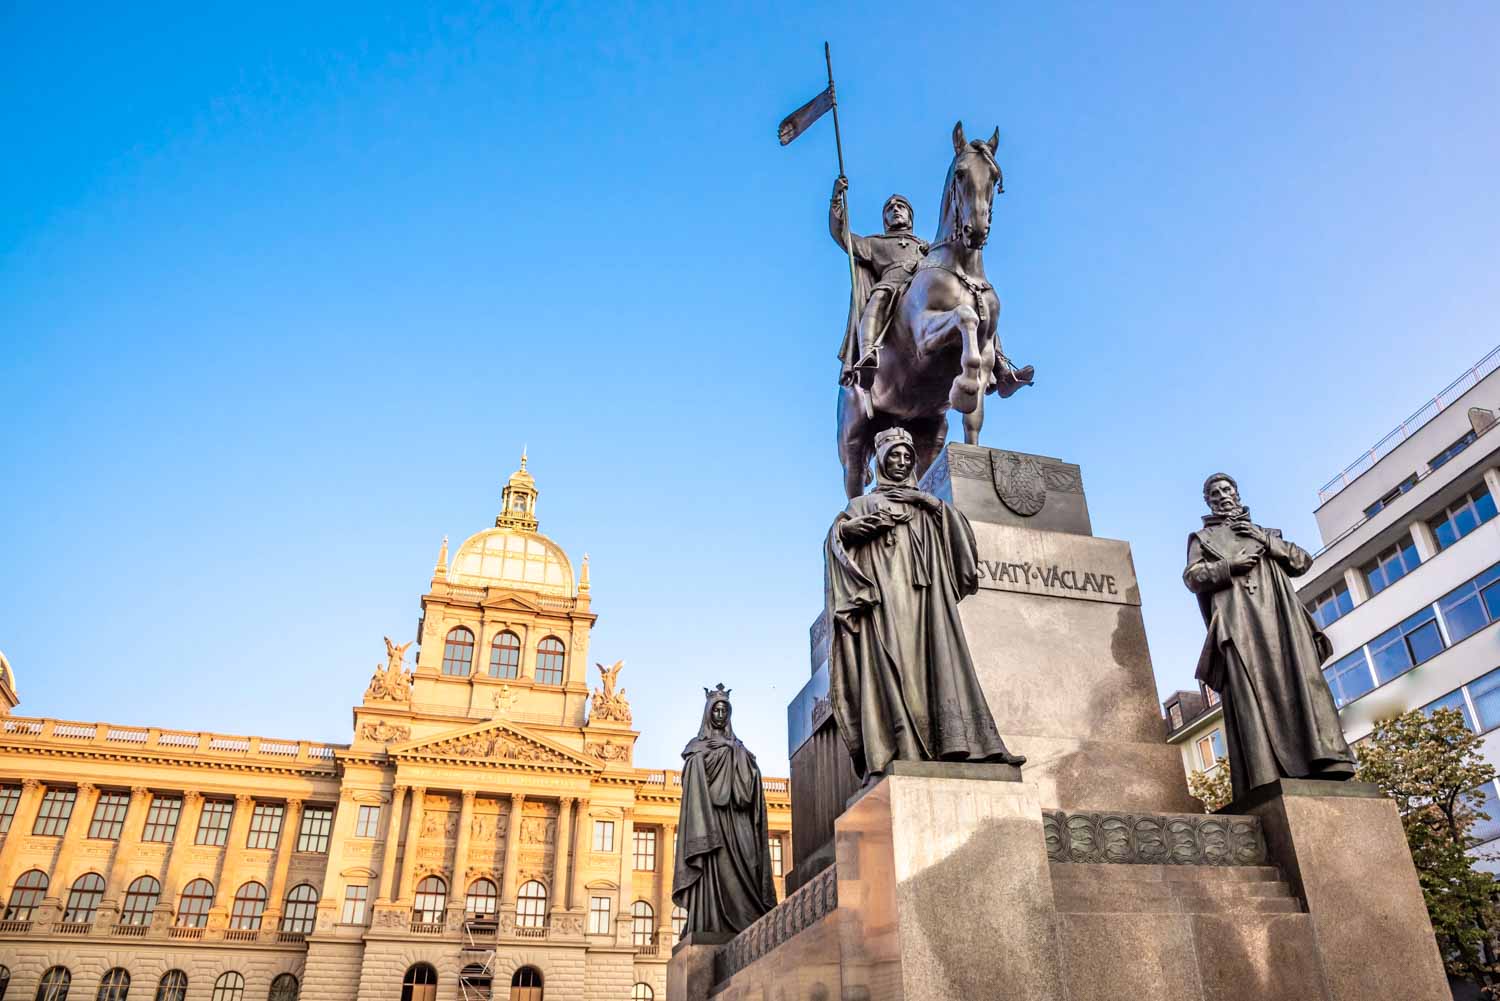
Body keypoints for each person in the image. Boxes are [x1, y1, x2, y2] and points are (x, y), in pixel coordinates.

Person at [823, 426, 1025, 779]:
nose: (901, 462)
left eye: (906, 456)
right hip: (886, 605)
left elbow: (962, 544)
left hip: (928, 606)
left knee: (942, 664)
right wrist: (855, 530)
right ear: (882, 461)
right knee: (895, 670)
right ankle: (902, 748)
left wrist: (928, 502)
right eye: (894, 456)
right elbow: (836, 541)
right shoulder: (861, 505)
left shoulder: (928, 507)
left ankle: (958, 744)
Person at [1184, 473, 1355, 802]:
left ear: (1236, 492)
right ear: (1208, 501)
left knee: (1301, 684)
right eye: (1215, 493)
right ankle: (1266, 772)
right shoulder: (1202, 539)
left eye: (1227, 489)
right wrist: (1229, 566)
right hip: (1240, 624)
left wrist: (1265, 540)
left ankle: (1322, 758)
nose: (1222, 496)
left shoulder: (1266, 534)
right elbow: (1192, 577)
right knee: (1252, 691)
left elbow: (1302, 561)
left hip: (1282, 624)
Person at [671, 684, 777, 936]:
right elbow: (692, 782)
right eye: (716, 710)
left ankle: (749, 918)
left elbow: (751, 784)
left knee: (749, 863)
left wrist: (742, 761)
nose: (720, 715)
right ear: (708, 713)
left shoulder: (739, 746)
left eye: (724, 710)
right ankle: (710, 921)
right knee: (714, 869)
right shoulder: (696, 747)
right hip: (710, 820)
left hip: (737, 817)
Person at [829, 176, 928, 388]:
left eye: (901, 206)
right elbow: (842, 235)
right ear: (886, 220)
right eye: (890, 209)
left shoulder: (924, 245)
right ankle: (867, 355)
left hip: (921, 288)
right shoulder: (874, 243)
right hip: (890, 286)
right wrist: (836, 198)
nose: (895, 210)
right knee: (879, 297)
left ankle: (998, 364)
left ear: (910, 215)